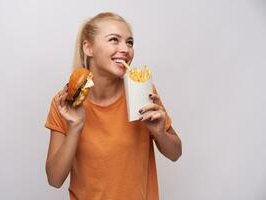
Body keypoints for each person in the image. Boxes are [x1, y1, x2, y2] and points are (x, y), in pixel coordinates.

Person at [44, 12, 182, 200]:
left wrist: (160, 133)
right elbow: (54, 179)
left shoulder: (142, 91)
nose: (125, 49)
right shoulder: (64, 104)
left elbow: (175, 153)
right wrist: (75, 127)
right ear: (88, 47)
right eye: (114, 40)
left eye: (130, 42)